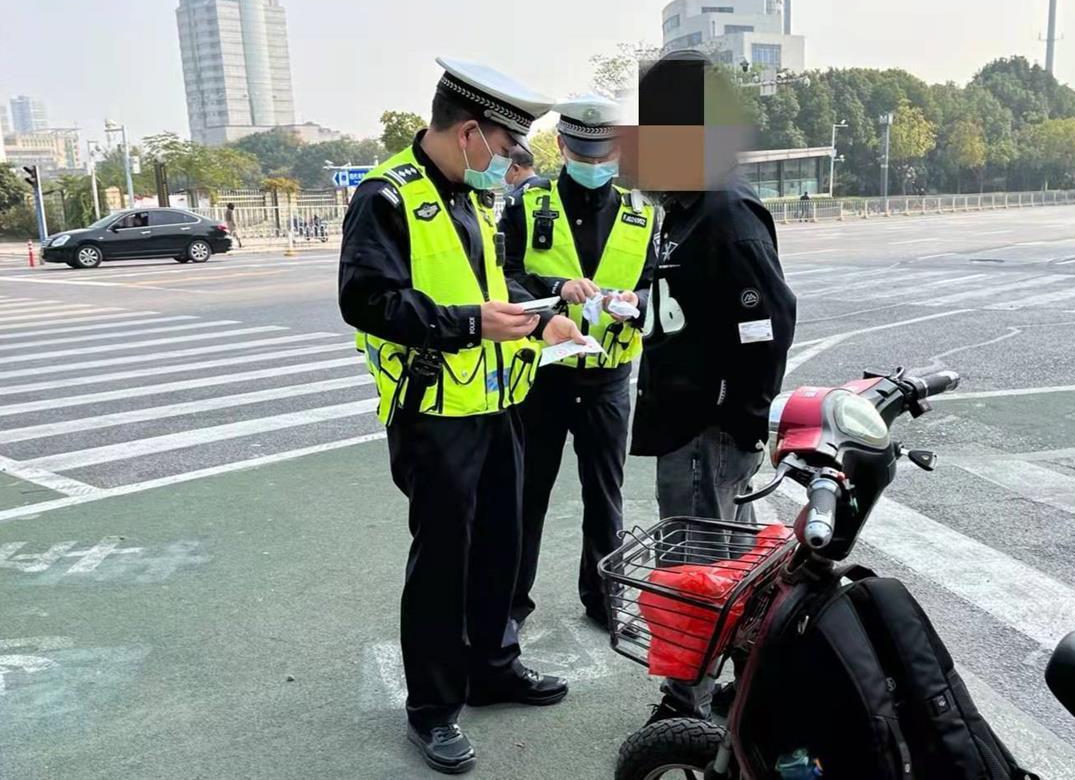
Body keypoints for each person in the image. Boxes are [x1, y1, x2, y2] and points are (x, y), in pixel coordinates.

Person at [338, 57, 584, 775]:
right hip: (433, 414)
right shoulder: (387, 196)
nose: (508, 163)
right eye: (506, 147)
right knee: (444, 562)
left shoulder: (471, 197)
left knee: (501, 544)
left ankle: (493, 669)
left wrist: (540, 318)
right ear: (471, 132)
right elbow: (367, 299)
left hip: (496, 402)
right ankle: (433, 707)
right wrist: (470, 324)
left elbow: (490, 284)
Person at [626, 50, 798, 723]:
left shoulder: (724, 210)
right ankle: (751, 685)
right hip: (684, 419)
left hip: (708, 426)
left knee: (696, 566)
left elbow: (766, 322)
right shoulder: (686, 206)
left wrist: (742, 417)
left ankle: (685, 705)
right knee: (733, 562)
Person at [499, 94, 657, 632]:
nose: (594, 165)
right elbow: (503, 277)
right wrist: (554, 292)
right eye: (584, 155)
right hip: (542, 374)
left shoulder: (641, 213)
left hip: (608, 377)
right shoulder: (527, 203)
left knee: (605, 497)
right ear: (562, 147)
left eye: (604, 156)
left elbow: (657, 287)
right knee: (526, 495)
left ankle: (605, 598)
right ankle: (510, 605)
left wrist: (636, 303)